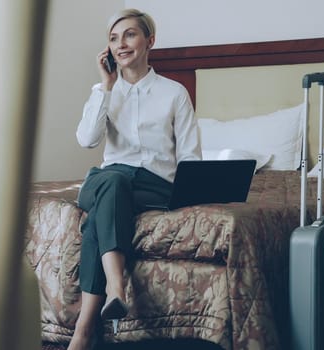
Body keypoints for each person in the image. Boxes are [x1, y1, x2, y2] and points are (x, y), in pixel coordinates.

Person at [67, 8, 201, 350]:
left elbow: (189, 157)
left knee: (100, 209)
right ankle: (114, 288)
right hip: (113, 179)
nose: (120, 44)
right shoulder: (104, 91)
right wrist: (106, 88)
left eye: (129, 35)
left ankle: (84, 330)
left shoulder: (174, 93)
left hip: (154, 185)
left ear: (149, 41)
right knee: (112, 182)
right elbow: (86, 139)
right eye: (113, 38)